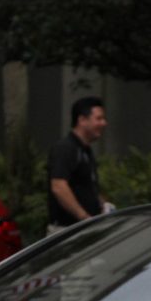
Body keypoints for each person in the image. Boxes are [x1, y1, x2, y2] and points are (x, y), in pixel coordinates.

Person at [47, 96, 112, 233]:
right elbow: (58, 186)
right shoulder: (65, 148)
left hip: (84, 229)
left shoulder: (85, 150)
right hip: (66, 231)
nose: (104, 123)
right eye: (98, 119)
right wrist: (84, 217)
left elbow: (87, 186)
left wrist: (103, 205)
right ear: (82, 120)